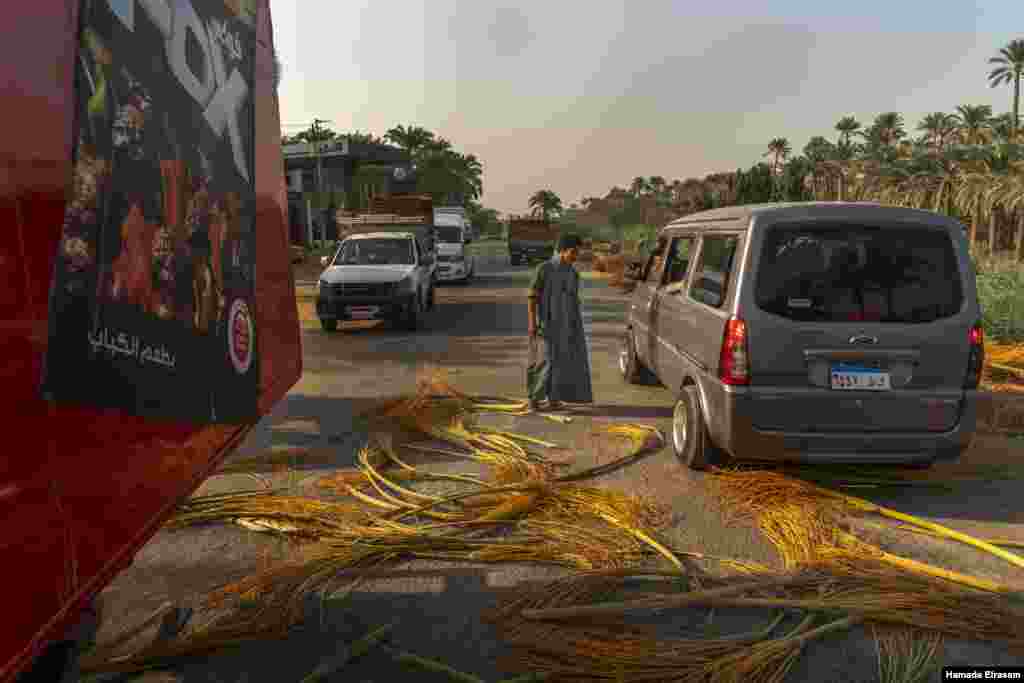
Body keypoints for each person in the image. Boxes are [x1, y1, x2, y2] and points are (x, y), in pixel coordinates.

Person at [526, 233, 594, 412]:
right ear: (562, 250)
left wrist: (574, 327)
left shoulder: (573, 273)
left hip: (567, 324)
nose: (576, 256)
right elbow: (532, 297)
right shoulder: (544, 268)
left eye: (578, 252)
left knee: (562, 362)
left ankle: (554, 399)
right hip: (546, 324)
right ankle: (534, 399)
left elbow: (573, 301)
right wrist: (532, 323)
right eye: (573, 251)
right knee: (547, 361)